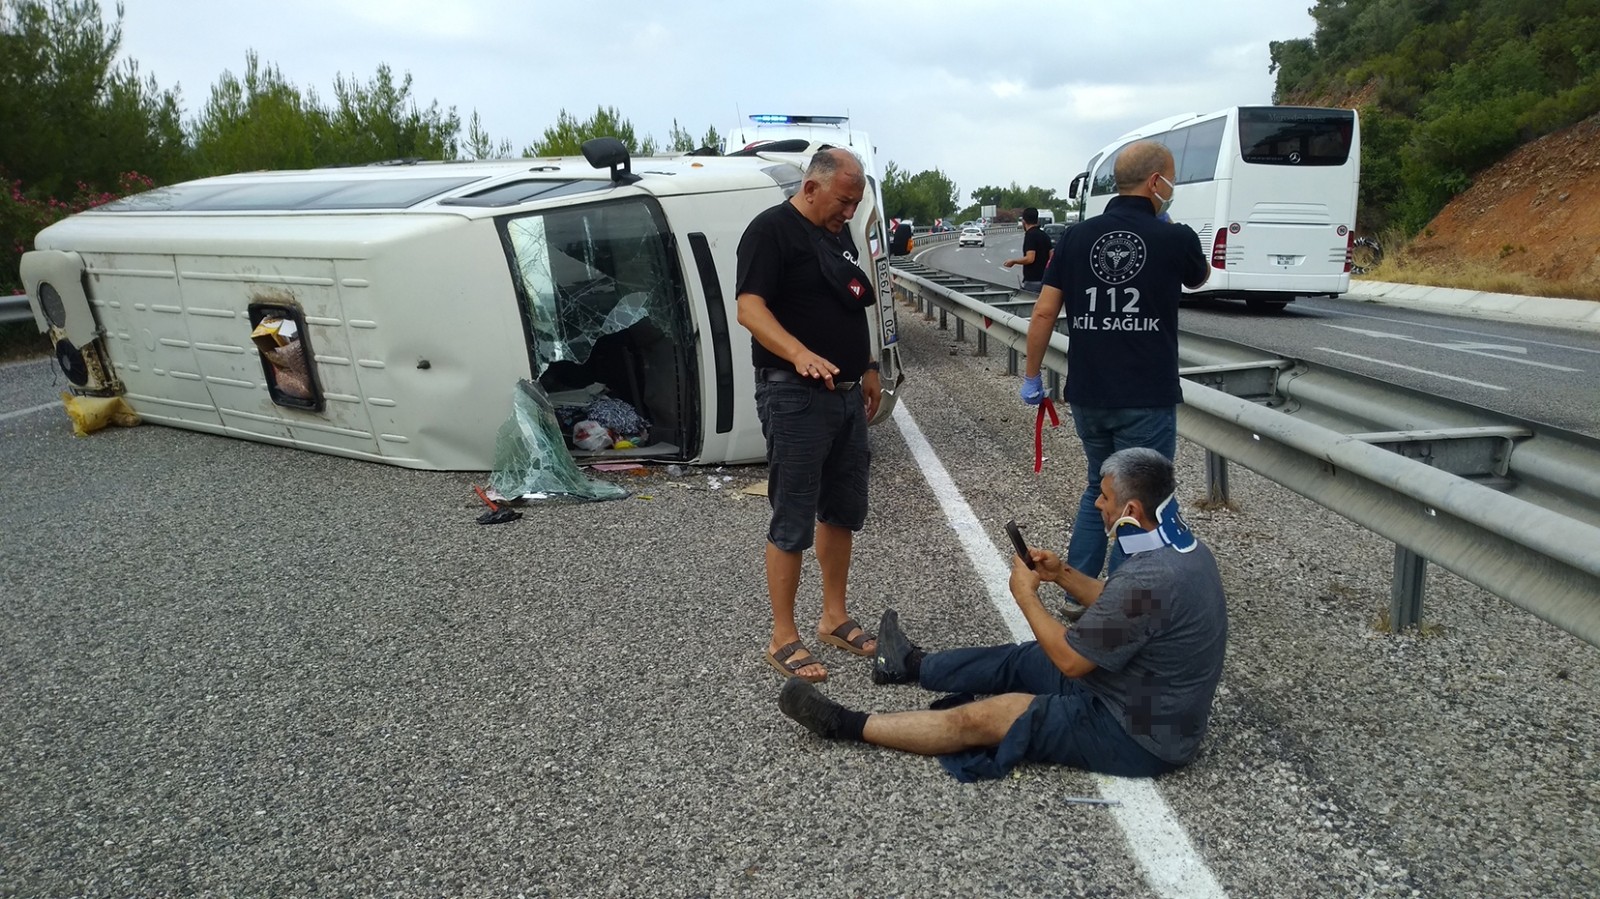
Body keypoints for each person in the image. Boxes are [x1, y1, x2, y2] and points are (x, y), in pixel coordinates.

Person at [777, 447, 1227, 782]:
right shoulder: (1180, 552)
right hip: (1138, 693)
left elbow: (1072, 660)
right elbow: (1125, 603)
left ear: (1130, 510)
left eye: (1104, 498)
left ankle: (844, 725)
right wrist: (1062, 575)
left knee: (988, 718)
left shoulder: (1151, 577)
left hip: (1139, 734)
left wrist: (1025, 595)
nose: (1097, 505)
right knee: (1025, 659)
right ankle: (909, 665)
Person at [1020, 141, 1209, 579]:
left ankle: (1079, 589)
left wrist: (1032, 377)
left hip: (1089, 393)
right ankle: (1120, 602)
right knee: (1140, 501)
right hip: (1146, 395)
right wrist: (1169, 228)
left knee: (1097, 490)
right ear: (1156, 182)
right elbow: (1199, 278)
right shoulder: (1174, 237)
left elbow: (1045, 311)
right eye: (1171, 180)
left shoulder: (1075, 237)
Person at [736, 147, 883, 684]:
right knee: (793, 512)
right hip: (793, 394)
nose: (849, 211)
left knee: (843, 509)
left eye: (855, 203)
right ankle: (783, 636)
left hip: (845, 394)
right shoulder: (770, 231)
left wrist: (866, 364)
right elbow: (749, 309)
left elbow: (851, 301)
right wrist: (797, 353)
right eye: (844, 201)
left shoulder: (837, 232)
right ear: (812, 186)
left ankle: (834, 617)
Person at [1003, 206, 1053, 292]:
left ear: (1023, 221)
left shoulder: (1030, 235)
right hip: (1046, 280)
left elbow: (1030, 259)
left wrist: (1014, 261)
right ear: (1037, 220)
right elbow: (1052, 257)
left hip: (1032, 281)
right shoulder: (1045, 235)